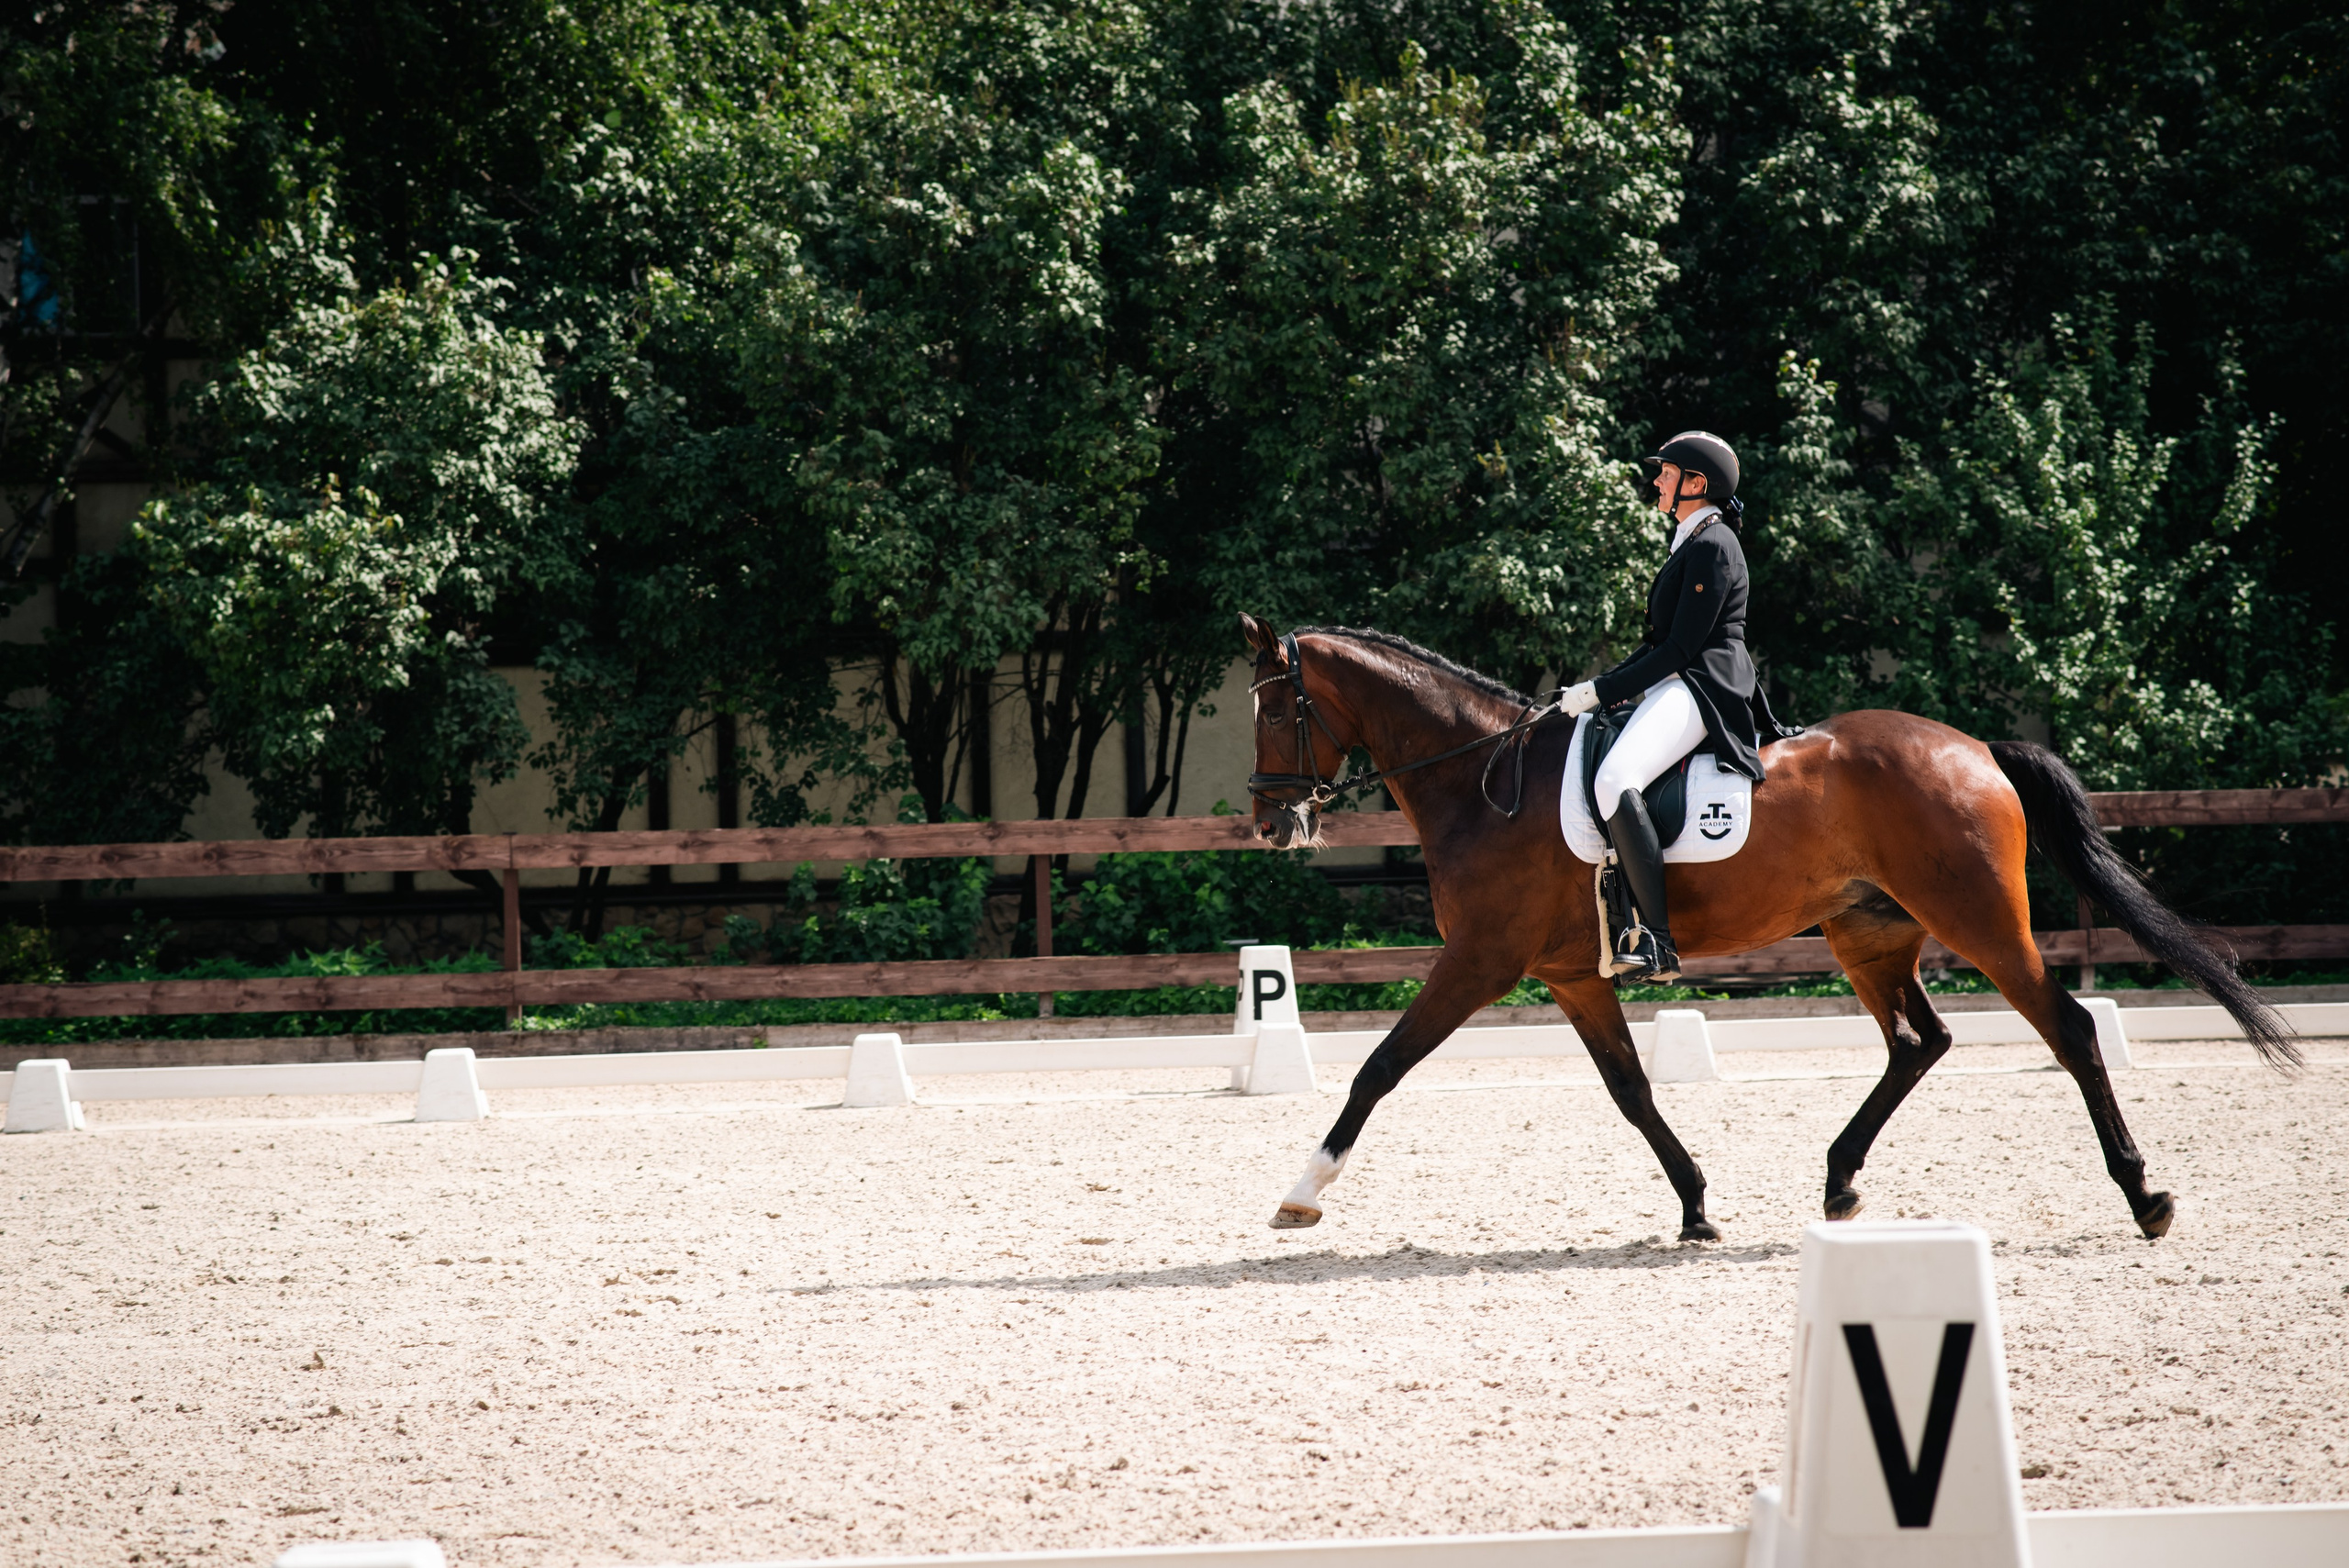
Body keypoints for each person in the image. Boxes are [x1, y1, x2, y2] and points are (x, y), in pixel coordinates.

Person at [1560, 431, 1795, 982]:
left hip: (1703, 683)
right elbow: (1659, 644)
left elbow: (1682, 648)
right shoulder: (1693, 541)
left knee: (1614, 780)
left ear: (1696, 483)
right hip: (1681, 679)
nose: (1657, 481)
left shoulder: (1714, 544)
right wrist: (1602, 685)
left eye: (1666, 473)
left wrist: (1604, 690)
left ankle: (1656, 941)